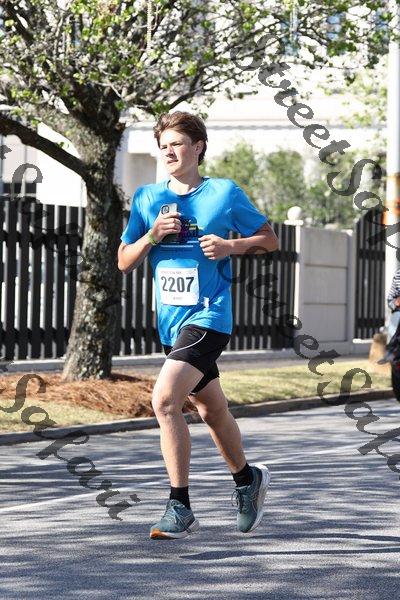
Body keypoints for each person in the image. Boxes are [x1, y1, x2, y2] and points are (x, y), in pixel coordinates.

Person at [118, 111, 279, 540]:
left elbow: (269, 239)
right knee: (211, 409)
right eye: (163, 146)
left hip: (209, 317)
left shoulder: (224, 192)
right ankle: (247, 480)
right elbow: (123, 261)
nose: (169, 152)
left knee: (164, 401)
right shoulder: (148, 198)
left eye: (177, 144)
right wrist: (151, 236)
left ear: (198, 147)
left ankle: (180, 506)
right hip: (171, 325)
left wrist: (231, 246)